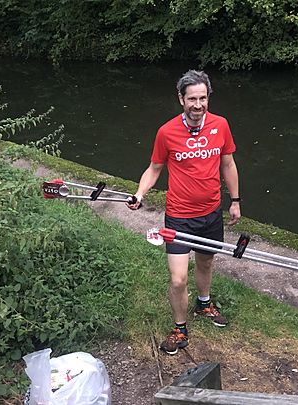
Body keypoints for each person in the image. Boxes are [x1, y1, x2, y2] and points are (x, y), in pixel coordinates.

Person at [127, 70, 241, 355]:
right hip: (179, 216)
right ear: (181, 99)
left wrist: (235, 200)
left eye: (203, 98)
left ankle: (204, 303)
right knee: (178, 278)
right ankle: (180, 327)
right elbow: (154, 169)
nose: (198, 105)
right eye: (192, 99)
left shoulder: (221, 125)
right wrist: (140, 194)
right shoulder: (166, 132)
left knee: (205, 263)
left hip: (211, 213)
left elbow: (227, 164)